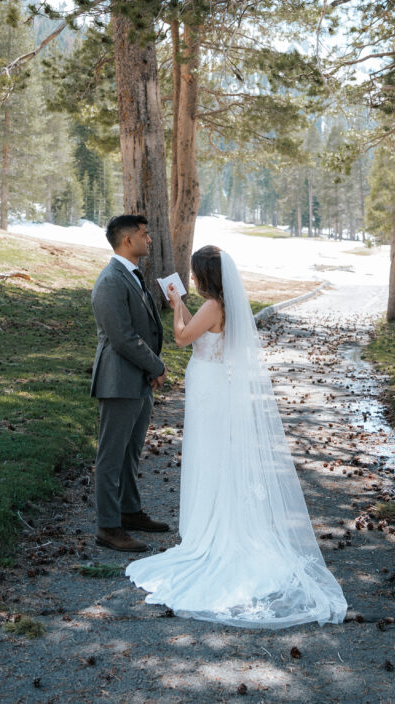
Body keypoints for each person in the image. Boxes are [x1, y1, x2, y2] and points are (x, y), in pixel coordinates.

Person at [126, 244, 348, 628]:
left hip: (209, 387)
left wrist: (176, 302)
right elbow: (198, 334)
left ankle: (210, 528)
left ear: (204, 276)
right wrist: (181, 304)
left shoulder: (213, 306)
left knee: (208, 454)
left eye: (195, 274)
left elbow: (182, 338)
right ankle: (211, 518)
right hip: (213, 384)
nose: (192, 279)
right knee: (213, 453)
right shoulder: (221, 306)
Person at [91, 214, 170, 552]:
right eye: (144, 234)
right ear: (126, 240)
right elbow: (122, 337)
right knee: (111, 456)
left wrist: (149, 370)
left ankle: (129, 511)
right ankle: (108, 527)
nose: (149, 240)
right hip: (118, 378)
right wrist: (156, 366)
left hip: (137, 377)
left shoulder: (133, 276)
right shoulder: (110, 280)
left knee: (131, 452)